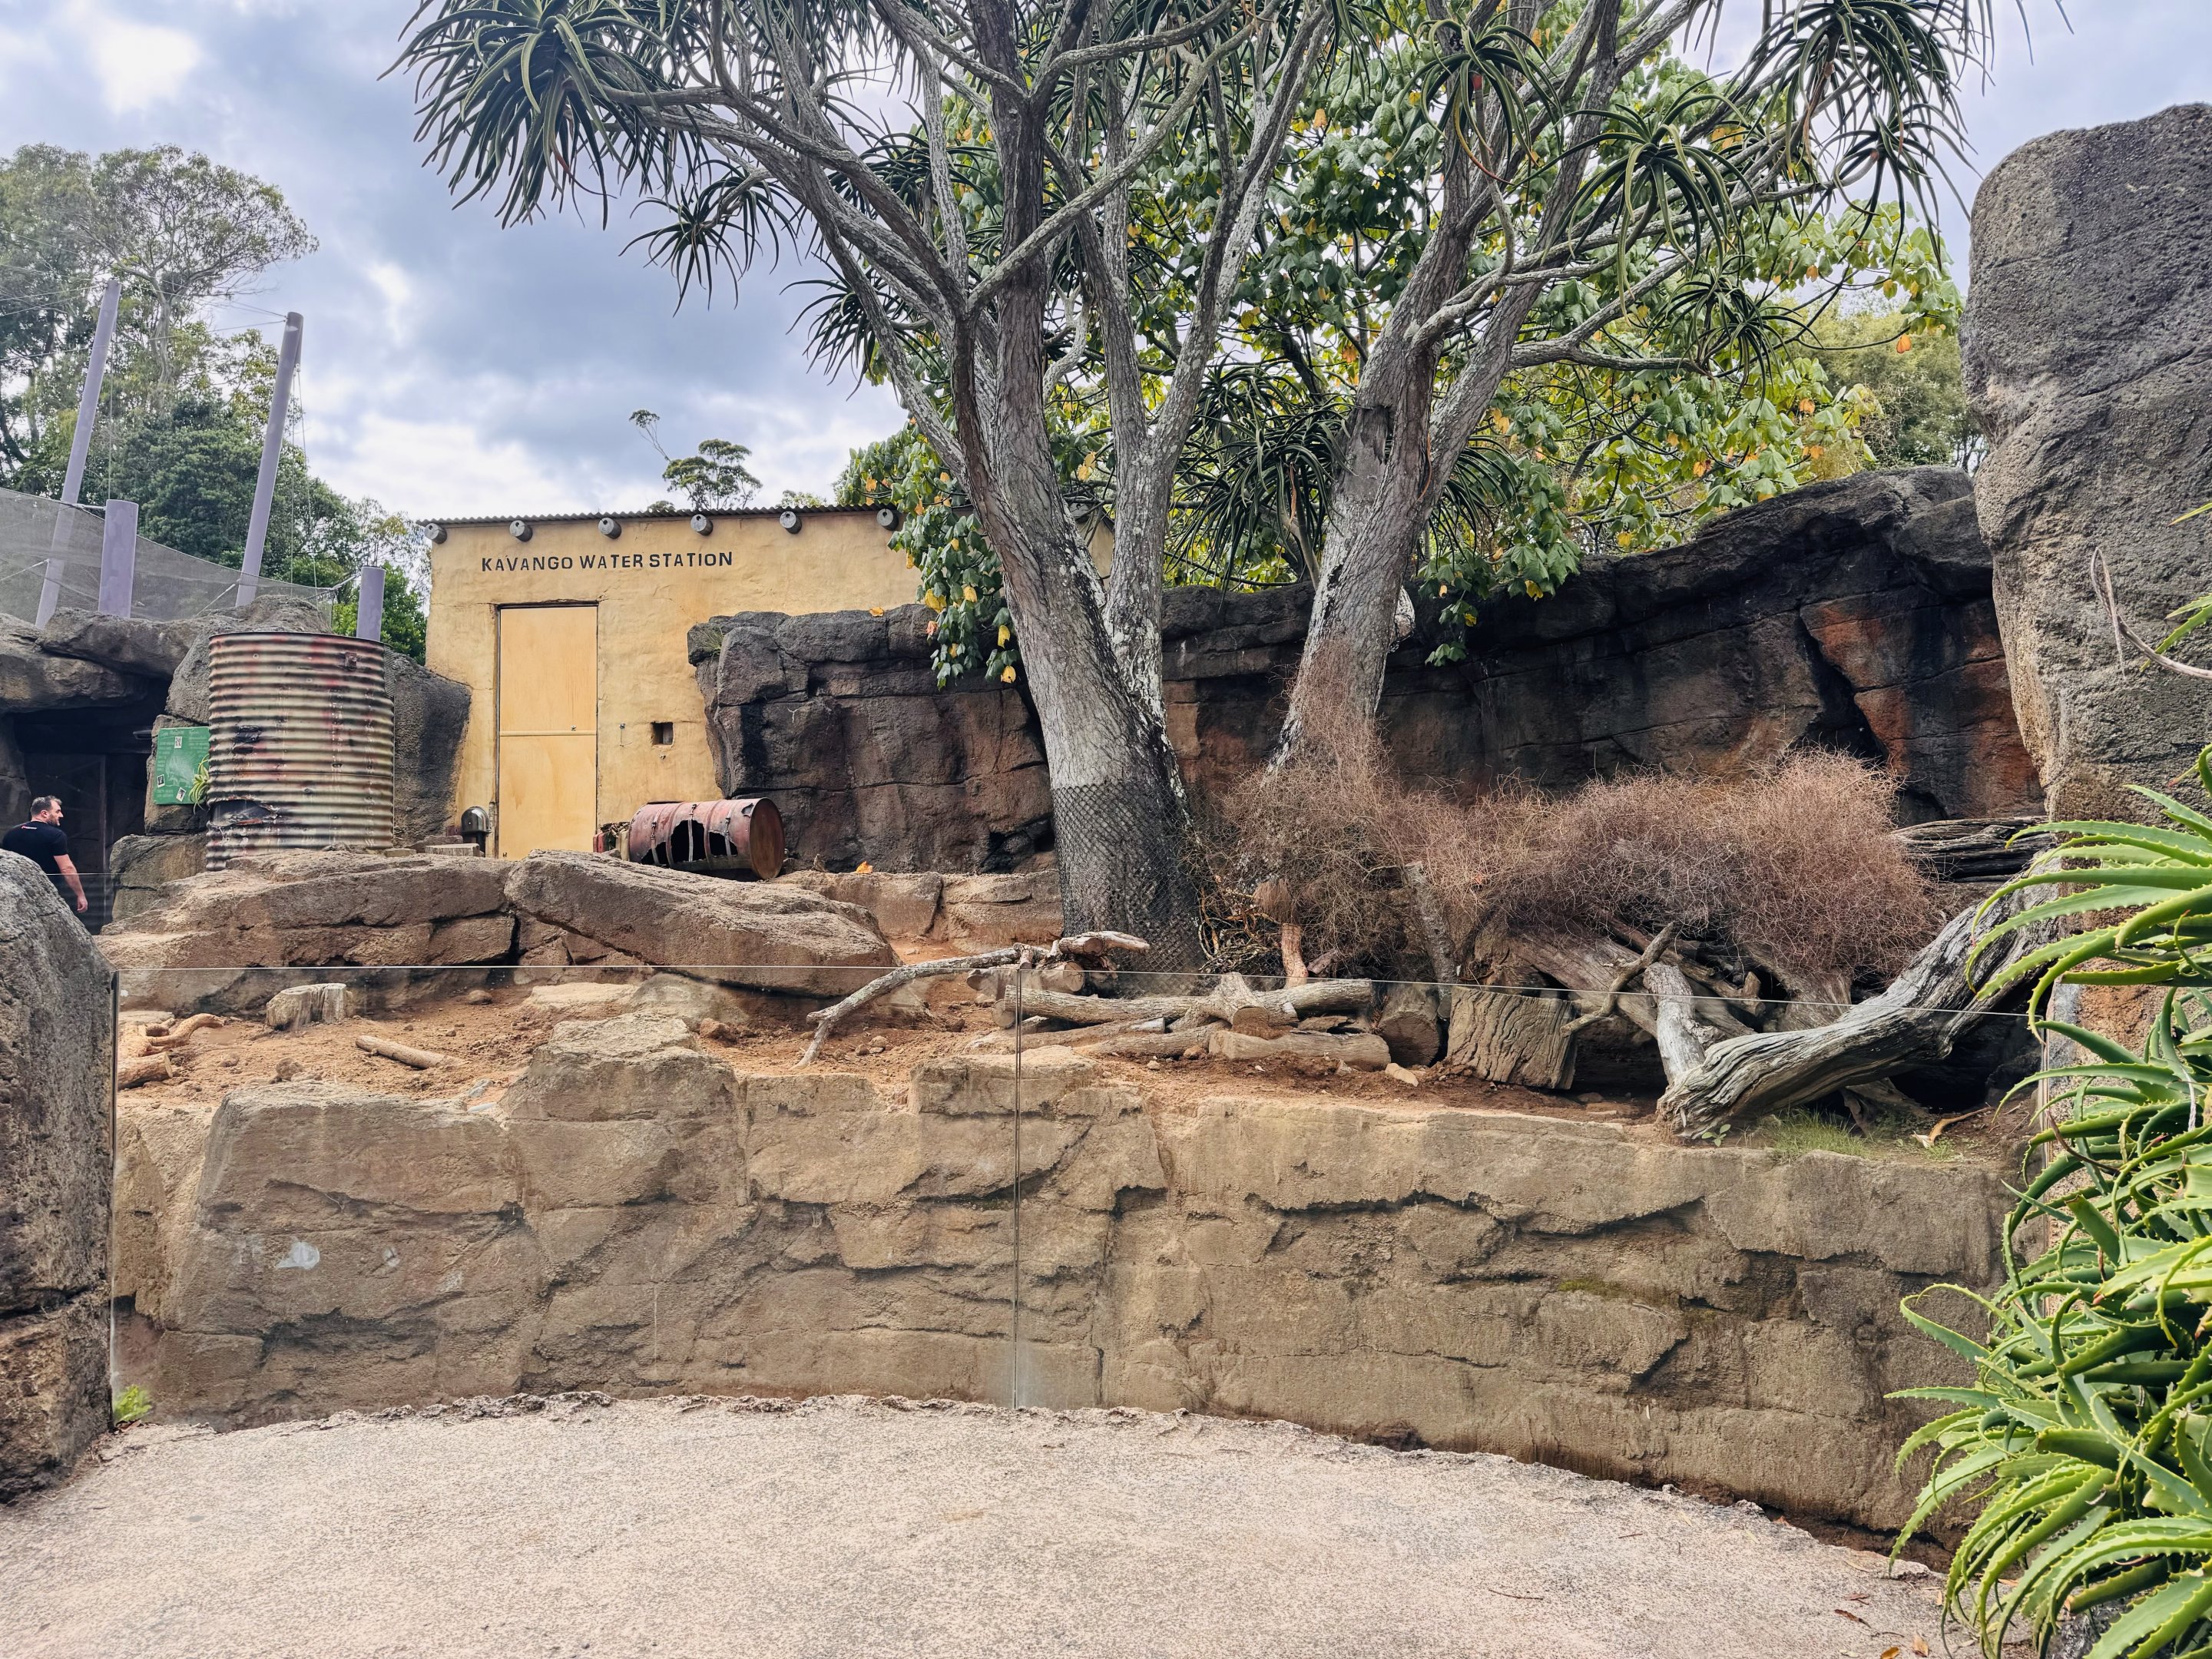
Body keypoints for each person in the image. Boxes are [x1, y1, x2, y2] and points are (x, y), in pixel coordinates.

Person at [3, 796, 89, 916]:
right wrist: (80, 895)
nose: (61, 815)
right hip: (46, 894)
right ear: (44, 813)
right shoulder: (56, 835)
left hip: (16, 893)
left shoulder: (11, 833)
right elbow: (67, 868)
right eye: (57, 811)